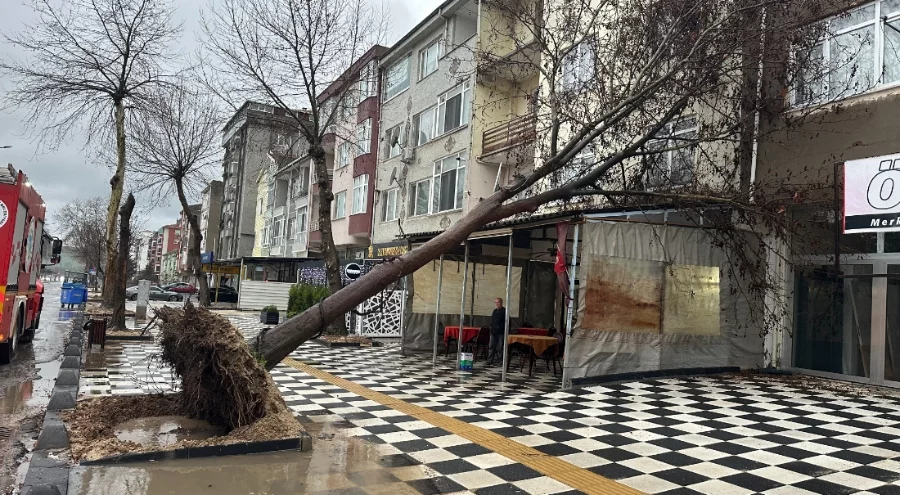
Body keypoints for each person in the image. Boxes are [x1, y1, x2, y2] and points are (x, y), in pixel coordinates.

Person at [487, 298, 506, 365]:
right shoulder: (494, 311)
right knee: (491, 346)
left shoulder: (504, 311)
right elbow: (492, 320)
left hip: (501, 332)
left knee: (500, 347)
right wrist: (491, 328)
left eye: (498, 302)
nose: (497, 304)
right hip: (493, 332)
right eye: (495, 302)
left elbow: (508, 322)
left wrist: (504, 330)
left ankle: (501, 361)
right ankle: (489, 360)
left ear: (501, 303)